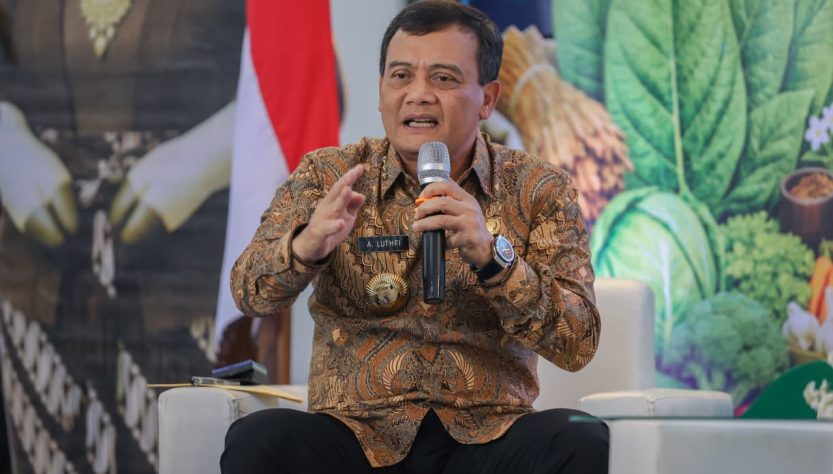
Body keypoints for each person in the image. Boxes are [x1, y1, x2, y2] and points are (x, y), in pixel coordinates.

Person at [223, 1, 607, 473]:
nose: (418, 94)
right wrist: (305, 247)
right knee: (260, 439)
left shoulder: (539, 188)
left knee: (581, 439)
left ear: (488, 99)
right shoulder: (329, 175)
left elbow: (578, 343)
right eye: (401, 76)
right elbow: (248, 292)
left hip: (488, 434)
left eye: (443, 78)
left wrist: (494, 260)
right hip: (356, 436)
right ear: (381, 90)